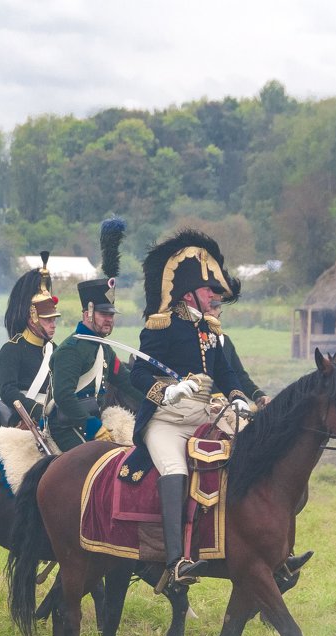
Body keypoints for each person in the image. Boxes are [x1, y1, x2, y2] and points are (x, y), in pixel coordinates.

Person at [130, 230, 248, 592]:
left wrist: (239, 396)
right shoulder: (161, 325)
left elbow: (226, 373)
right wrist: (168, 390)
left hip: (204, 415)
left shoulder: (211, 329)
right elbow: (137, 373)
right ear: (189, 292)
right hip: (165, 420)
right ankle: (175, 560)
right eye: (211, 290)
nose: (216, 296)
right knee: (175, 470)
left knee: (248, 453)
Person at [48, 219, 144, 451]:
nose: (109, 319)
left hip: (92, 422)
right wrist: (93, 427)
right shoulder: (71, 349)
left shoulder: (104, 349)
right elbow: (63, 396)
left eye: (111, 314)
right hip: (67, 427)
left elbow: (128, 383)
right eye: (103, 314)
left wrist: (157, 403)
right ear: (88, 312)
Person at [0, 252, 60, 427]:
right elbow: (8, 391)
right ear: (32, 318)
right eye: (48, 320)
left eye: (54, 319)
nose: (53, 325)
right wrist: (37, 411)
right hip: (22, 417)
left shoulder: (55, 349)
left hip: (53, 415)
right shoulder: (12, 349)